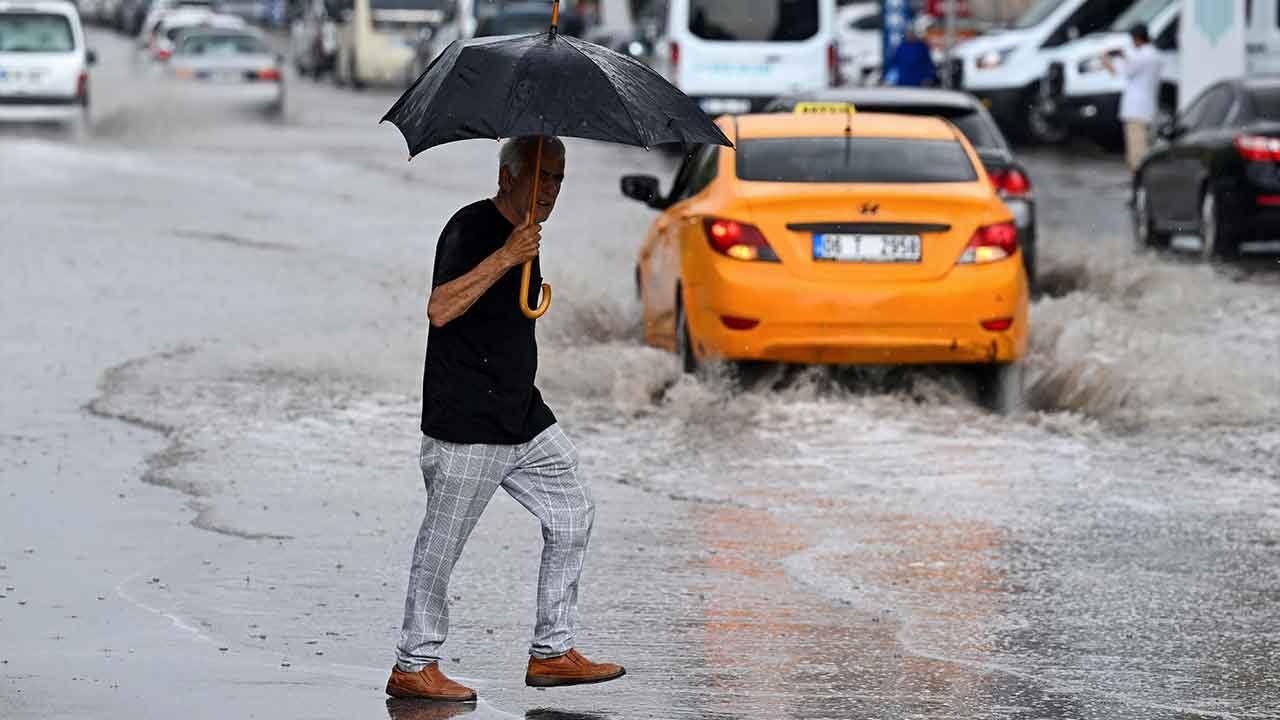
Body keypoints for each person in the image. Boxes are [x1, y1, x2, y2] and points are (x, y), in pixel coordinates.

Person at [385, 137, 626, 702]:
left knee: (573, 513)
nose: (551, 190)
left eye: (559, 179)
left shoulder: (528, 239)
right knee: (441, 546)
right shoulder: (471, 228)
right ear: (509, 177)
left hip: (522, 415)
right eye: (543, 177)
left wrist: (523, 261)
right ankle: (413, 664)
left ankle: (552, 652)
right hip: (467, 421)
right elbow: (440, 307)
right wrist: (506, 258)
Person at [1105, 23, 1162, 172]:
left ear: (1137, 38)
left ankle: (1139, 187)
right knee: (1147, 150)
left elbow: (1119, 71)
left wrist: (1106, 59)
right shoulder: (1155, 54)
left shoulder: (1140, 57)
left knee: (1137, 155)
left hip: (1135, 111)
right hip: (1149, 109)